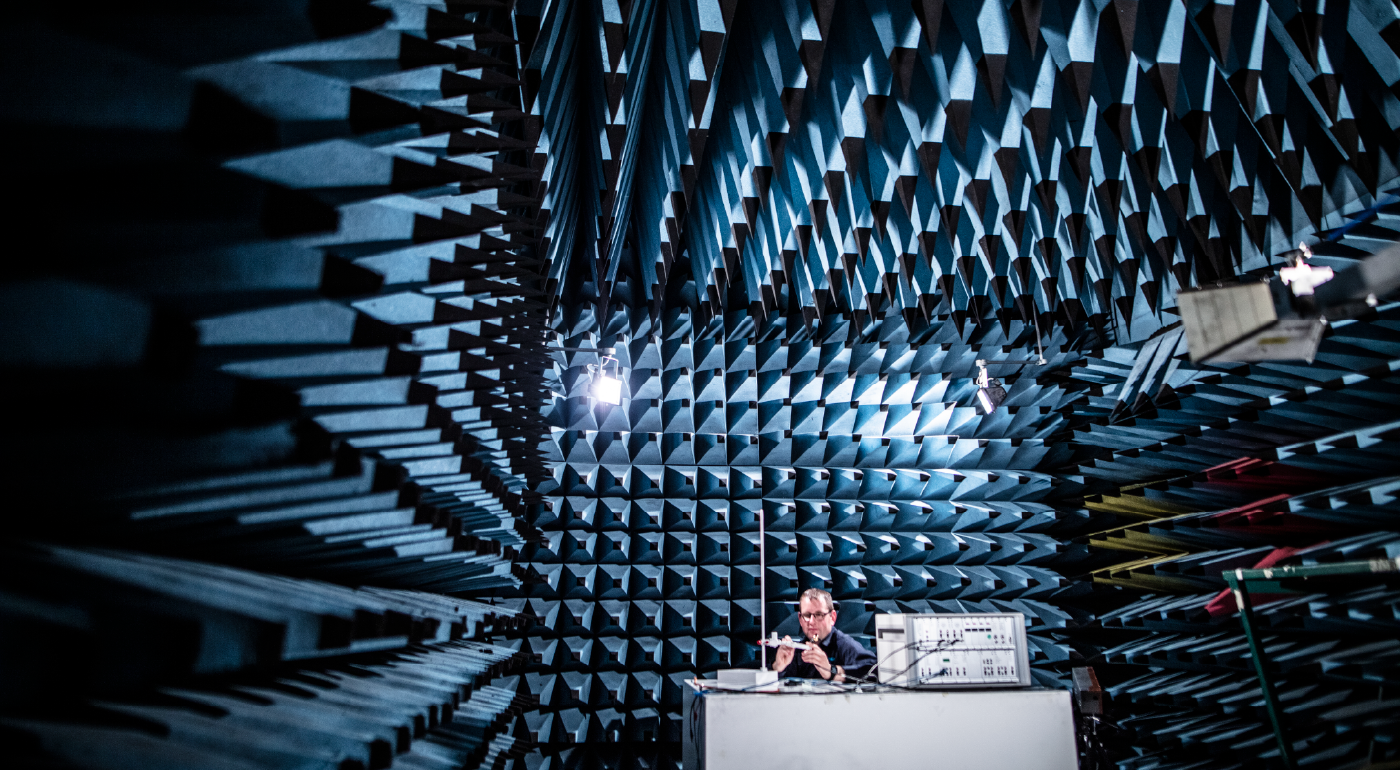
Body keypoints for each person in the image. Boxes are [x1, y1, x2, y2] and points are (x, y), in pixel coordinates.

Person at [770, 588, 876, 682]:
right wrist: (778, 667)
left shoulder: (844, 645)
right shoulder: (796, 651)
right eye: (807, 615)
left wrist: (831, 671)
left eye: (819, 615)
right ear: (800, 619)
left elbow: (873, 671)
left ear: (832, 617)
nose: (811, 622)